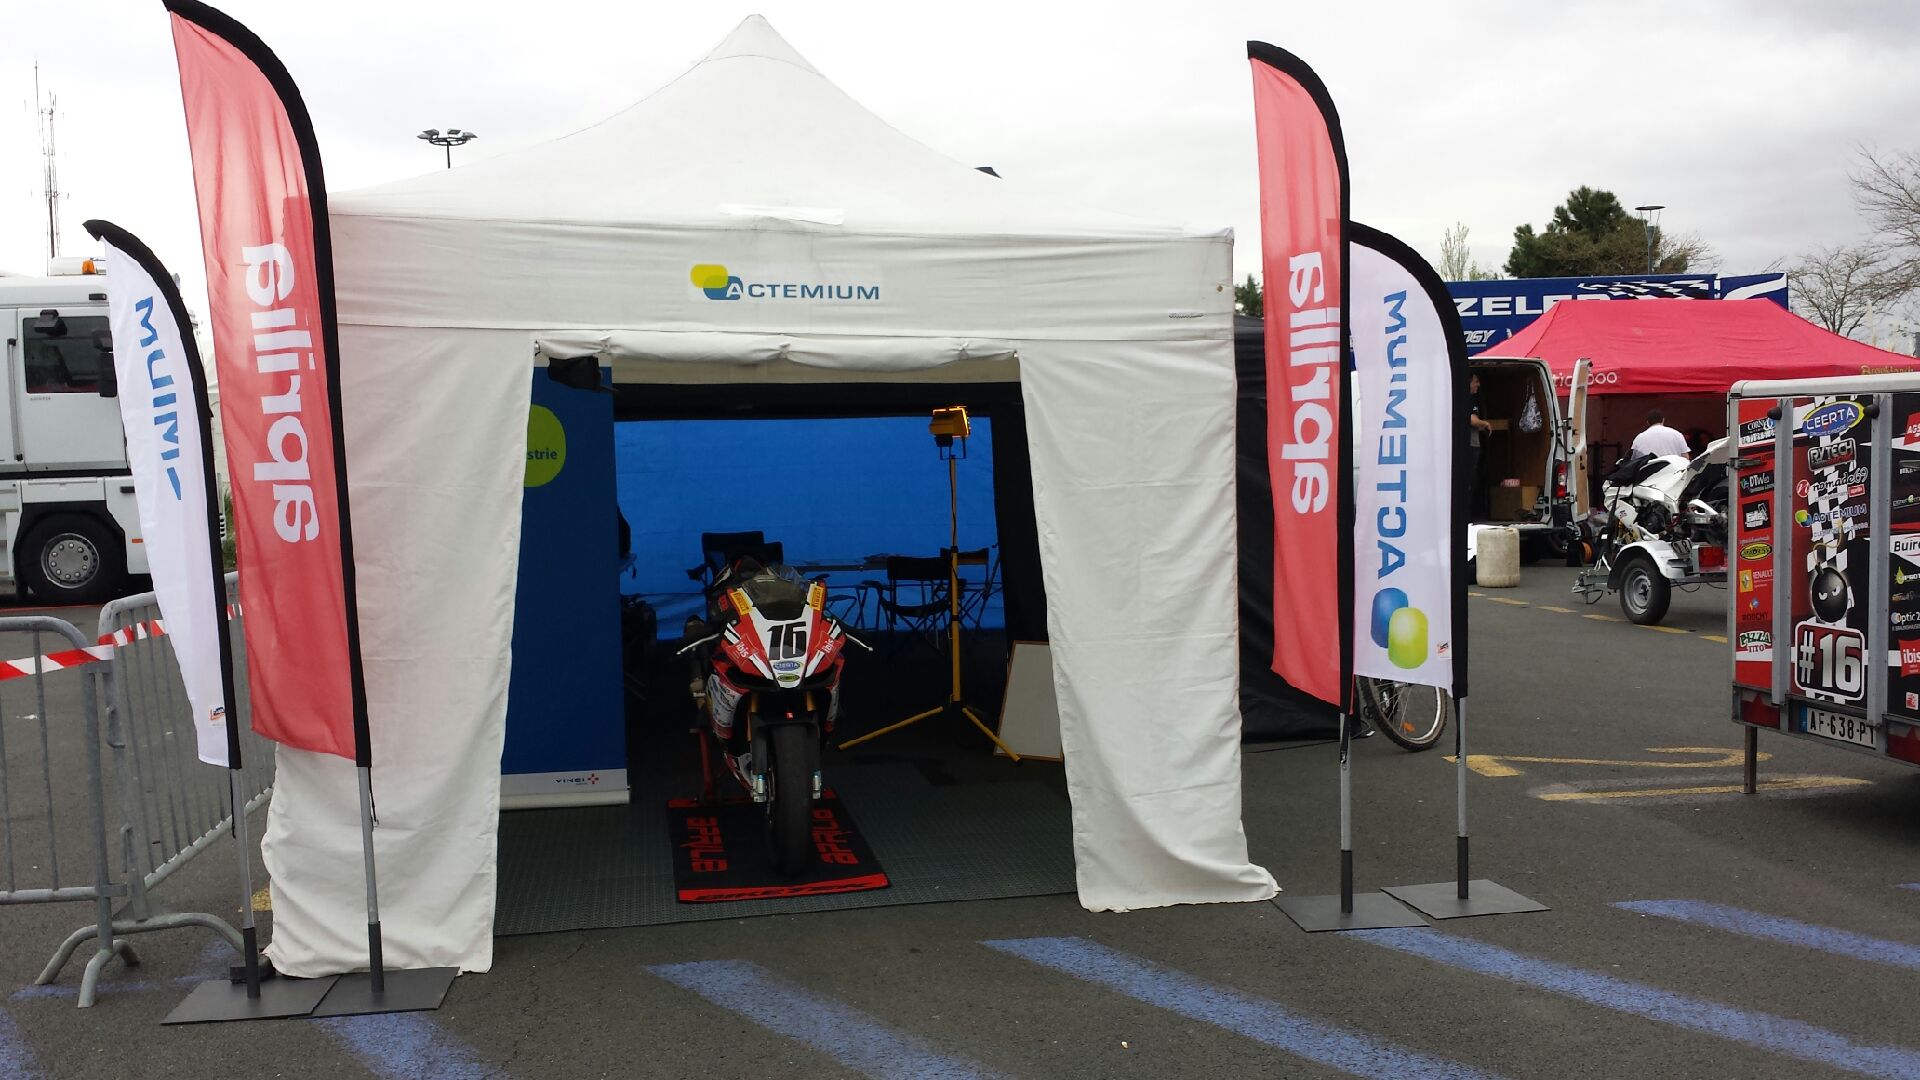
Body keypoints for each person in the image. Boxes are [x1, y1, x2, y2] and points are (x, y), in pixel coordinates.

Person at [1467, 372, 1492, 519]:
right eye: (1476, 381)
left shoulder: (1471, 399)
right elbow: (1472, 420)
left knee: (1472, 482)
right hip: (1469, 446)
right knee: (1469, 483)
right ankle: (1468, 517)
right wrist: (1485, 423)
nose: (1478, 384)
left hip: (1472, 445)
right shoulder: (1467, 399)